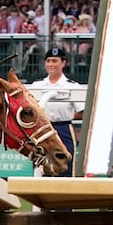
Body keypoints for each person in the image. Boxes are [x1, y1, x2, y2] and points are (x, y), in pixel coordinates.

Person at [31, 47, 84, 177]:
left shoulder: (72, 86)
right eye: (48, 61)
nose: (50, 64)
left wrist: (64, 116)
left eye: (54, 61)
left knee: (66, 164)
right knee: (41, 165)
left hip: (63, 127)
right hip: (42, 130)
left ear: (63, 63)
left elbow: (82, 111)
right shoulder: (37, 86)